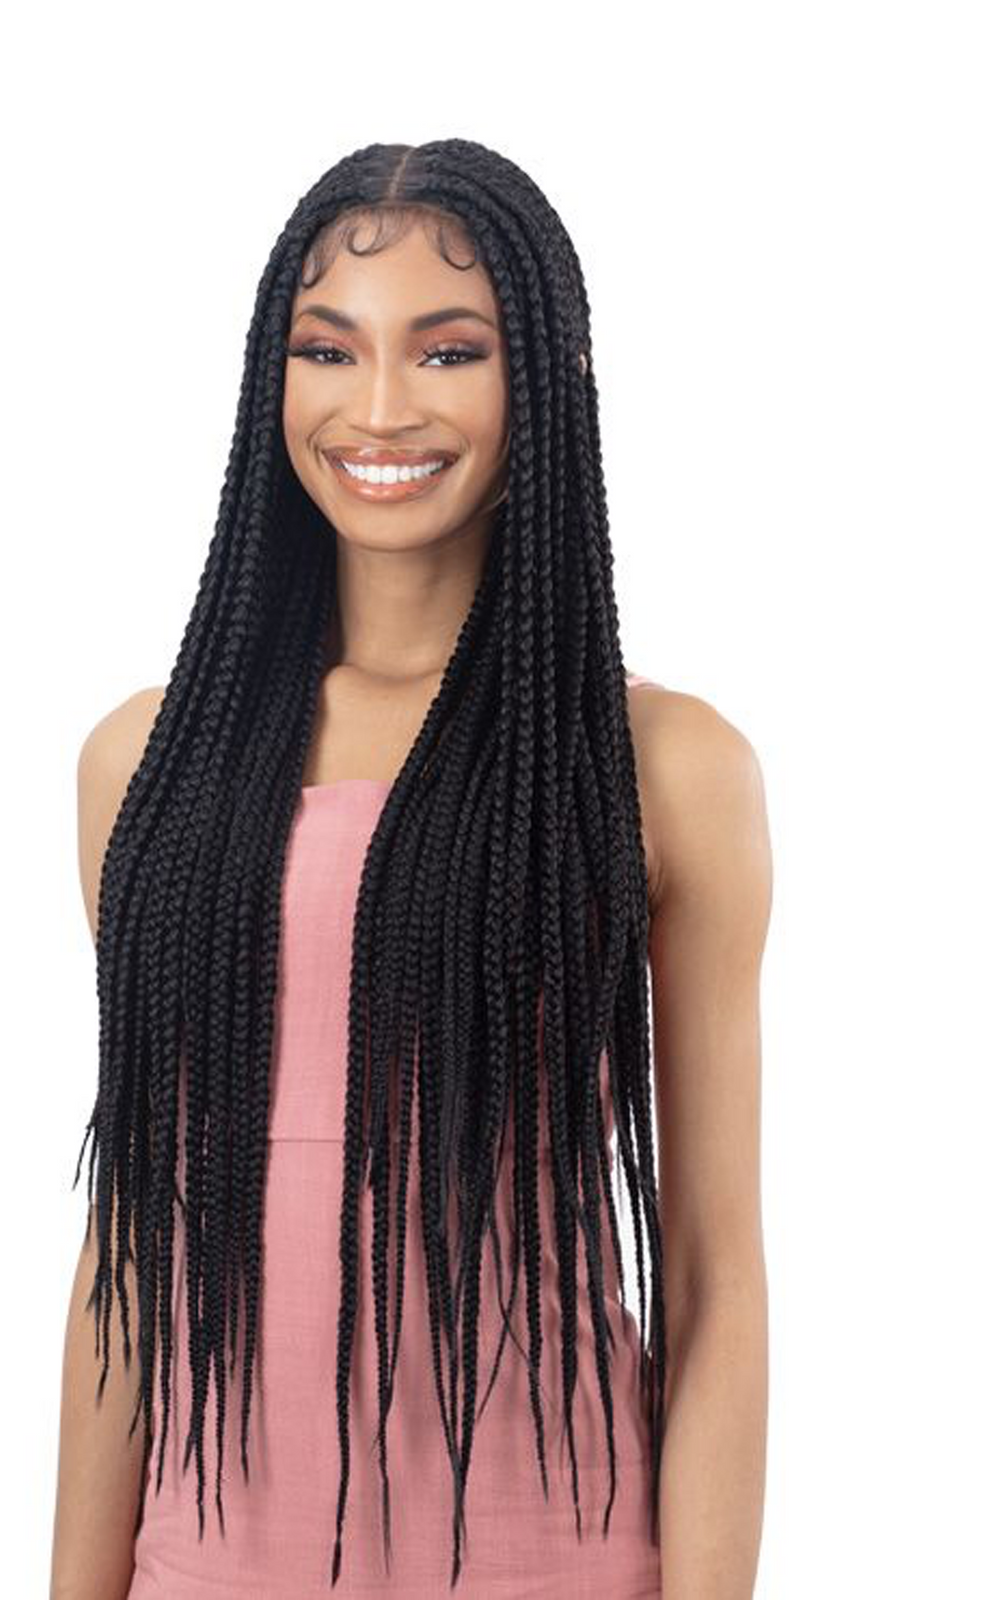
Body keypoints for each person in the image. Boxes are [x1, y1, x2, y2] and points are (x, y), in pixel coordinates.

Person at [49, 139, 771, 1599]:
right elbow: (134, 1249)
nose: (380, 407)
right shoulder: (147, 765)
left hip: (557, 1564)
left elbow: (715, 1279)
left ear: (547, 376)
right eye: (329, 350)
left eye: (449, 350)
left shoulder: (661, 768)